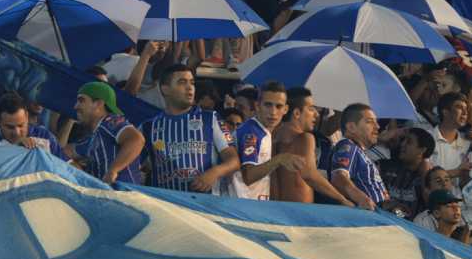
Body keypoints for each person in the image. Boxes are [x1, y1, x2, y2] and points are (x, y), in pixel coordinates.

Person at [140, 64, 239, 194]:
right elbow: (136, 166)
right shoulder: (149, 126)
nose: (189, 87)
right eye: (182, 82)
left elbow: (234, 161)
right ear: (165, 89)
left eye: (192, 83)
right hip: (165, 206)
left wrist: (214, 172)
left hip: (203, 205)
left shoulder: (210, 118)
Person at [273, 87, 352, 205]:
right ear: (296, 113)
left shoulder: (272, 136)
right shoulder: (305, 138)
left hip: (273, 209)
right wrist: (342, 199)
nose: (316, 114)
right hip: (300, 212)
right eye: (311, 109)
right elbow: (309, 174)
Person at [229, 82, 303, 200]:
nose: (273, 112)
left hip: (250, 205)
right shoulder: (252, 132)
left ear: (285, 109)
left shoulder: (263, 132)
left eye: (278, 106)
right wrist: (280, 159)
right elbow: (249, 176)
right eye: (268, 105)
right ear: (257, 105)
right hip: (241, 206)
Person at [68, 82, 144, 184]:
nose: (76, 106)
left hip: (124, 196)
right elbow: (65, 152)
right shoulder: (93, 136)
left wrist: (113, 171)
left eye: (81, 100)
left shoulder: (111, 122)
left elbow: (136, 140)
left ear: (98, 104)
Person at [328, 103, 389, 210]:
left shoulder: (357, 150)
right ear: (351, 127)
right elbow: (338, 177)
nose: (377, 127)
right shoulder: (348, 146)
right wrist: (362, 199)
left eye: (376, 122)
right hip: (368, 216)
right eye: (370, 122)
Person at [0, 93, 67, 159]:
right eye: (10, 127)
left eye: (21, 125)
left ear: (27, 117)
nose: (17, 132)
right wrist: (16, 148)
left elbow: (67, 166)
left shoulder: (44, 136)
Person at [379, 127, 434, 213]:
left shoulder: (429, 177)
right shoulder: (385, 166)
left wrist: (425, 175)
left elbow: (433, 206)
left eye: (409, 142)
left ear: (422, 150)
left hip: (408, 225)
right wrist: (379, 139)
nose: (402, 144)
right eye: (403, 140)